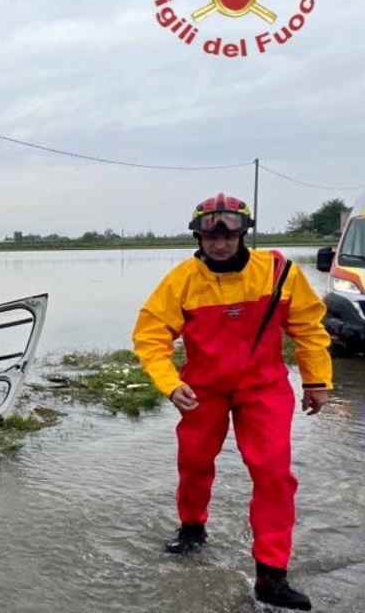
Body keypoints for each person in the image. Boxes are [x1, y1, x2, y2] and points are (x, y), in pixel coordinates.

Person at [132, 193, 332, 611]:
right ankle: (191, 529)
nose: (220, 244)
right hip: (201, 389)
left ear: (243, 233)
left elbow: (309, 329)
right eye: (210, 236)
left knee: (274, 474)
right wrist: (170, 384)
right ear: (198, 237)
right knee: (194, 461)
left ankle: (272, 576)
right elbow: (150, 337)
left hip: (264, 389)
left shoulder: (279, 272)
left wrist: (317, 381)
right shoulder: (182, 280)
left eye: (229, 235)